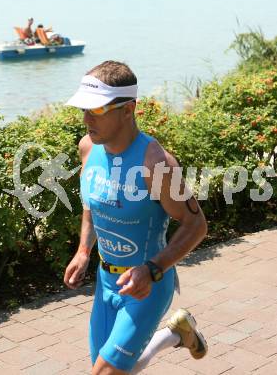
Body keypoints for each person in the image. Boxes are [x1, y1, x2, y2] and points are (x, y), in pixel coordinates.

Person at [64, 60, 208, 375]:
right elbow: (91, 204)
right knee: (112, 370)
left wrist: (152, 269)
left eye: (96, 110)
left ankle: (171, 332)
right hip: (106, 283)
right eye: (83, 109)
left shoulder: (156, 163)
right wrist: (84, 251)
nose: (87, 119)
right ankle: (174, 333)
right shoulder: (88, 148)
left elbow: (196, 225)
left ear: (128, 110)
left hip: (147, 287)